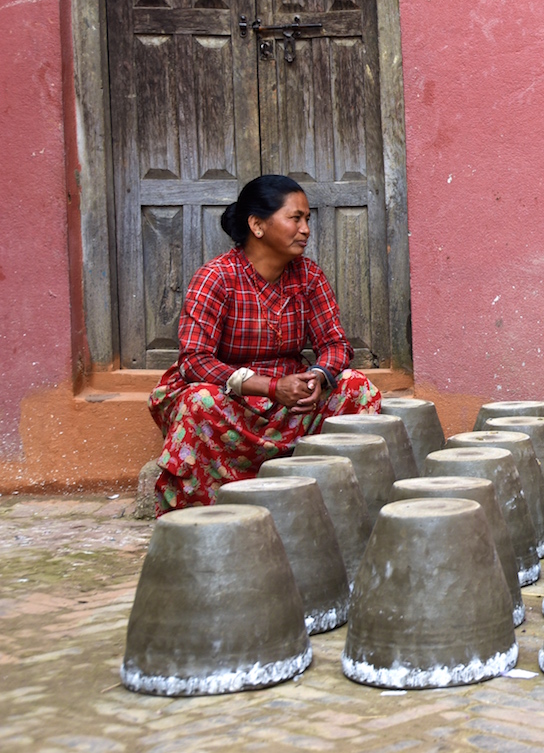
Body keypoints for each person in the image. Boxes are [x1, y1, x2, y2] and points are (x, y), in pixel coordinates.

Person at [148, 174, 382, 513]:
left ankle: (329, 504)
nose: (305, 229)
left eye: (307, 219)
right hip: (234, 399)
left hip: (291, 401)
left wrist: (317, 376)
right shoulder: (216, 278)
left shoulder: (309, 277)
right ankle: (204, 520)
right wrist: (270, 388)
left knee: (357, 388)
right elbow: (194, 361)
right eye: (295, 218)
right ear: (257, 225)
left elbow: (335, 344)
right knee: (198, 402)